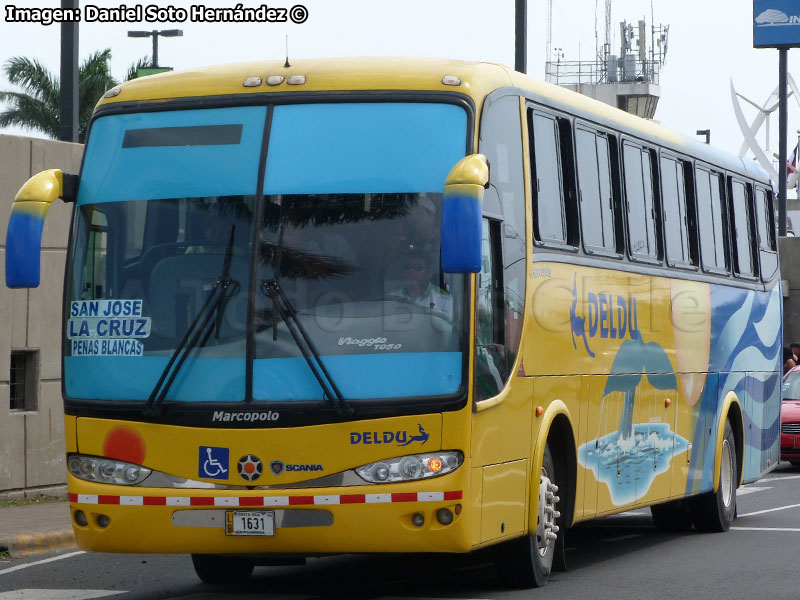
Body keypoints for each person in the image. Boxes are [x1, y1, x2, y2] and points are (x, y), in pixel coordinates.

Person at [389, 248, 452, 320]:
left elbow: (451, 330)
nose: (411, 270)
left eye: (418, 267)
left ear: (429, 273)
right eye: (407, 267)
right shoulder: (392, 298)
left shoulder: (445, 300)